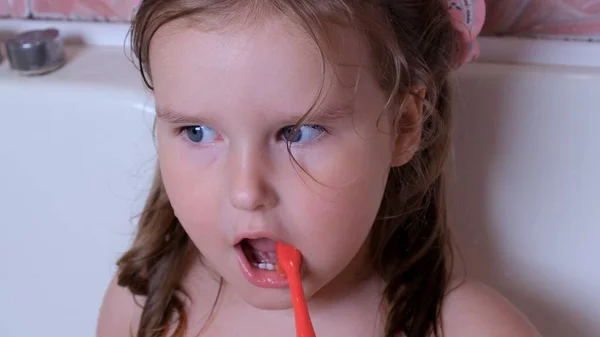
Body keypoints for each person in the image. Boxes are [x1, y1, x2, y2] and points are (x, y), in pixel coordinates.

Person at [97, 0, 540, 336]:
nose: (246, 191)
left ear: (404, 126)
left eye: (299, 133)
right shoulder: (141, 307)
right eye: (196, 132)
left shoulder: (476, 329)